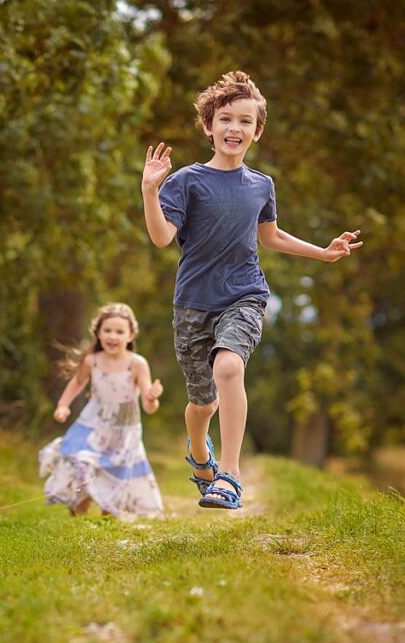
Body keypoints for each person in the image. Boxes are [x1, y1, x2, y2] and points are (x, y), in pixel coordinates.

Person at [140, 70, 362, 509]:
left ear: (257, 132)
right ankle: (200, 454)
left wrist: (323, 252)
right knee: (202, 403)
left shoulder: (262, 185)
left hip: (245, 294)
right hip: (192, 304)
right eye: (225, 119)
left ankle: (230, 476)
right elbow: (163, 237)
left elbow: (271, 236)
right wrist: (150, 190)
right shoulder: (186, 181)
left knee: (229, 369)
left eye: (245, 121)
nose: (234, 128)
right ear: (209, 126)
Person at [39, 303, 165, 519]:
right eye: (107, 330)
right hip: (94, 422)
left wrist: (152, 398)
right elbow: (77, 383)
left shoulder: (137, 364)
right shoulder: (92, 361)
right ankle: (80, 504)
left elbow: (148, 406)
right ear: (98, 333)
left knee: (114, 469)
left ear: (131, 335)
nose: (112, 336)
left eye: (119, 331)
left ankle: (110, 512)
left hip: (124, 428)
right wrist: (63, 405)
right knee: (82, 458)